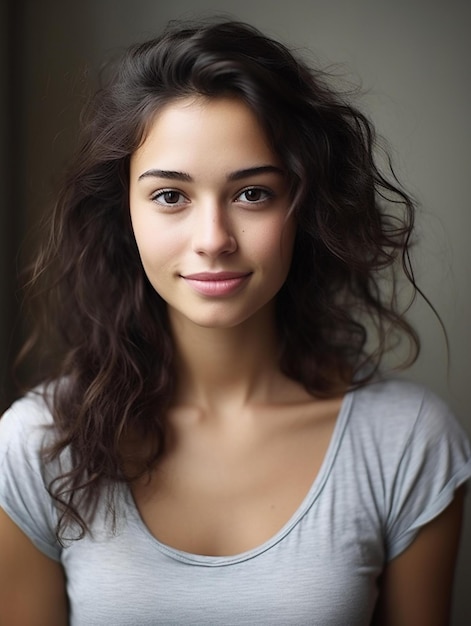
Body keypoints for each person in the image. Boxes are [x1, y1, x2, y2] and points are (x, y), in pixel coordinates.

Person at [0, 19, 470, 626]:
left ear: (304, 208)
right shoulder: (37, 446)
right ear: (126, 213)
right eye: (171, 196)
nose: (214, 240)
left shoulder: (406, 443)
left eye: (253, 194)